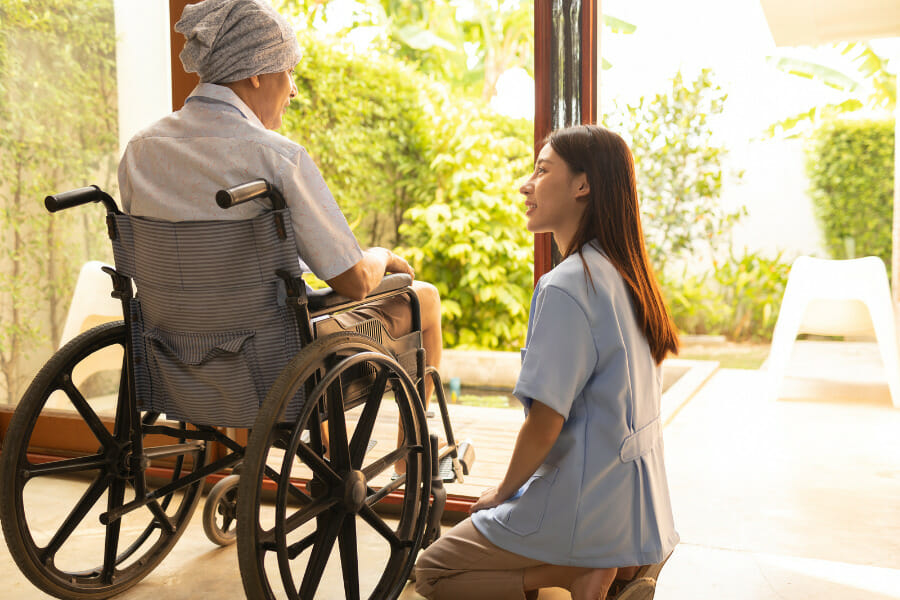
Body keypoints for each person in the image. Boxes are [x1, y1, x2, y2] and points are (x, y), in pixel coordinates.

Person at [116, 0, 442, 408]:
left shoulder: (140, 151)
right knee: (423, 297)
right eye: (288, 71)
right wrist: (382, 254)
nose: (293, 88)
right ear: (255, 72)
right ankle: (407, 458)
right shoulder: (275, 156)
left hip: (172, 359)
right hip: (268, 366)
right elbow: (354, 281)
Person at [414, 124, 680, 600]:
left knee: (432, 572)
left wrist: (501, 492)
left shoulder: (566, 286)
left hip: (585, 506)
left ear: (582, 185)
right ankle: (615, 567)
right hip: (641, 510)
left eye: (541, 170)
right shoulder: (628, 274)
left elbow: (545, 423)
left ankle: (572, 572)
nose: (526, 184)